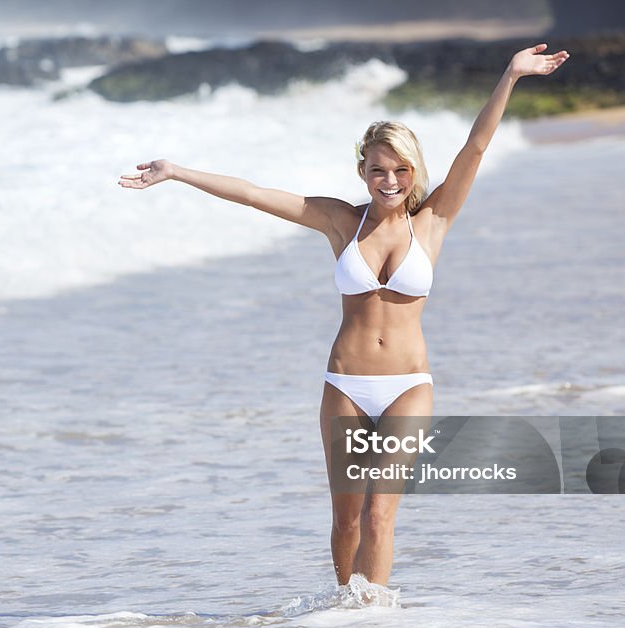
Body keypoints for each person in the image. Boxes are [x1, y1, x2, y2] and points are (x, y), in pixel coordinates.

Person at [119, 44, 569, 587]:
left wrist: (511, 75)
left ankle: (374, 623)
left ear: (413, 170)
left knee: (380, 517)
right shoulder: (339, 222)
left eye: (401, 169)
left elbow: (475, 148)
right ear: (363, 170)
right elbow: (256, 195)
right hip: (345, 386)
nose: (389, 181)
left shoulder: (434, 221)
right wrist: (176, 171)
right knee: (347, 520)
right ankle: (344, 620)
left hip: (408, 386)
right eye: (378, 170)